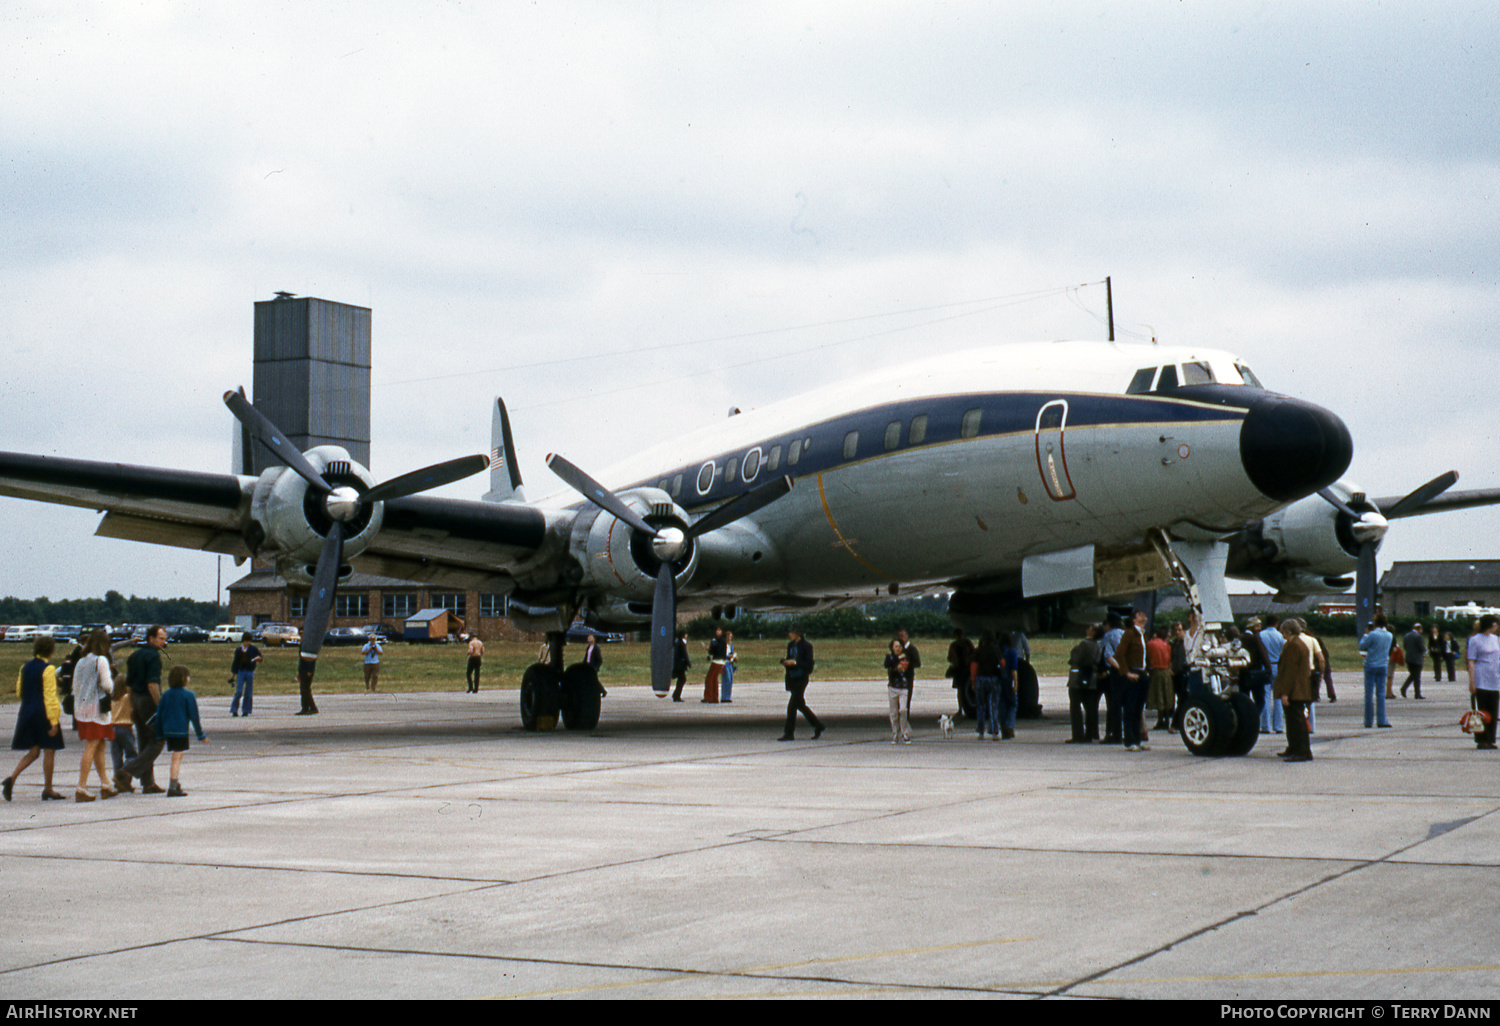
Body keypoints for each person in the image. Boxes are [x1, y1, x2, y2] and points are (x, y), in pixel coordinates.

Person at [5, 636, 66, 802]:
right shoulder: (48, 669)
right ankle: (48, 788)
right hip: (43, 713)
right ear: (51, 651)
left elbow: (19, 691)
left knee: (33, 751)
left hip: (26, 711)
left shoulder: (24, 667)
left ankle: (11, 778)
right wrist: (53, 721)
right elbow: (50, 696)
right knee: (49, 750)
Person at [116, 625, 169, 794]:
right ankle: (127, 771)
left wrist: (132, 706)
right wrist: (160, 708)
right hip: (148, 701)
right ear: (151, 638)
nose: (164, 642)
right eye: (161, 638)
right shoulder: (153, 657)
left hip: (136, 700)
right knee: (158, 741)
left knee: (144, 742)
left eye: (164, 638)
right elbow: (152, 684)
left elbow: (129, 685)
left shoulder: (134, 655)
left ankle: (148, 784)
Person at [71, 629, 117, 802]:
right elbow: (106, 684)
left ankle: (105, 783)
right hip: (96, 708)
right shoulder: (101, 660)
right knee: (92, 746)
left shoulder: (81, 661)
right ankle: (81, 787)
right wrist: (113, 689)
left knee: (99, 746)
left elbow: (74, 686)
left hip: (81, 707)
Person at [155, 666, 206, 797]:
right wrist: (201, 735)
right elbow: (194, 716)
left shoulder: (166, 694)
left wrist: (159, 734)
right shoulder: (188, 695)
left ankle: (174, 783)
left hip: (167, 731)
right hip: (180, 731)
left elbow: (159, 714)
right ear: (184, 678)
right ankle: (172, 786)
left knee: (176, 757)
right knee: (177, 758)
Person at [1273, 619, 1315, 762]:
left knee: (1296, 722)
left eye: (1283, 631)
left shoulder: (1293, 646)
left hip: (1294, 690)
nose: (1282, 634)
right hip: (1299, 688)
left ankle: (1301, 751)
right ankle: (1295, 748)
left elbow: (1290, 671)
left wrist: (1285, 692)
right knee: (1294, 721)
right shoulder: (1298, 644)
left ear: (1287, 631)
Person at [1113, 610, 1150, 751]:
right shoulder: (1129, 634)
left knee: (1139, 708)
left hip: (1142, 673)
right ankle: (1130, 741)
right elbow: (1119, 654)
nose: (1143, 615)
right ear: (1134, 620)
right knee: (1130, 707)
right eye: (1140, 614)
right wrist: (1126, 672)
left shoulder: (1143, 635)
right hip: (1133, 673)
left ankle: (1137, 739)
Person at [778, 626, 822, 741]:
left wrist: (796, 663)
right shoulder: (791, 645)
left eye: (792, 633)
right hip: (792, 677)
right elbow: (789, 657)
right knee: (800, 705)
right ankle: (818, 725)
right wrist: (786, 662)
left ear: (798, 634)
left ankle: (789, 733)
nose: (790, 635)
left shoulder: (807, 646)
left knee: (792, 706)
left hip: (801, 676)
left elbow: (808, 662)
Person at [1465, 615, 1499, 750]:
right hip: (1481, 676)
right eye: (1494, 624)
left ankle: (1491, 738)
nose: (1496, 626)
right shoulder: (1475, 640)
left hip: (1494, 678)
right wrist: (1472, 681)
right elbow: (1471, 661)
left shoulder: (1496, 639)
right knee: (1482, 709)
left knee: (1493, 710)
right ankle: (1481, 739)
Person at [1358, 613, 1395, 729]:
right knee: (1381, 693)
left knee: (1369, 694)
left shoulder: (1373, 634)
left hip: (1370, 665)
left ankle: (1368, 721)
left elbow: (1362, 646)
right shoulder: (1389, 635)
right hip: (1383, 665)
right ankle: (1382, 719)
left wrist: (1365, 634)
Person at [1066, 625, 1102, 743]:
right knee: (1090, 707)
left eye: (1091, 628)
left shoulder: (1084, 644)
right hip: (1091, 678)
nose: (1088, 629)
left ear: (1093, 632)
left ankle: (1078, 734)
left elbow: (1076, 659)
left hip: (1078, 679)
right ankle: (1091, 733)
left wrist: (1074, 652)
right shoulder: (1097, 645)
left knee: (1075, 707)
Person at [971, 631, 1002, 741]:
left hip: (980, 679)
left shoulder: (977, 651)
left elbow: (974, 667)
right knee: (993, 705)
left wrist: (973, 681)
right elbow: (1002, 663)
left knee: (980, 706)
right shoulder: (996, 650)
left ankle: (981, 732)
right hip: (993, 679)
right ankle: (994, 732)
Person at [1099, 613, 1125, 744]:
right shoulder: (1126, 634)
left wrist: (1118, 668)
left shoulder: (1108, 636)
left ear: (1108, 624)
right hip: (1129, 670)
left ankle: (1114, 734)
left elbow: (1108, 656)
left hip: (1115, 673)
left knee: (1113, 705)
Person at [1258, 614, 1285, 734]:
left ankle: (1265, 726)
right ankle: (1278, 726)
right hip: (1277, 665)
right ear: (1276, 623)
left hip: (1265, 666)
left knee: (1265, 696)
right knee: (1278, 697)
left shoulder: (1261, 635)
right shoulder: (1280, 636)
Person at [884, 638, 914, 743]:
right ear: (892, 648)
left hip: (903, 688)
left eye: (900, 646)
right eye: (896, 646)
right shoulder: (889, 657)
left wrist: (898, 665)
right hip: (893, 688)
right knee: (893, 713)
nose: (898, 648)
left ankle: (905, 733)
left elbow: (904, 668)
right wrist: (897, 661)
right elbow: (888, 664)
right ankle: (895, 734)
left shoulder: (906, 657)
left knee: (903, 710)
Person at [1147, 626, 1174, 732]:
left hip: (1156, 671)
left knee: (1158, 695)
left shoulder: (1151, 644)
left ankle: (1160, 720)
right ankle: (1166, 720)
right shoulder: (1167, 645)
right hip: (1166, 671)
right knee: (1167, 694)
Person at [229, 634, 262, 715]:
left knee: (248, 692)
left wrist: (257, 659)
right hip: (241, 671)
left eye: (249, 641)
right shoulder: (238, 650)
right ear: (243, 641)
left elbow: (261, 657)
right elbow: (235, 662)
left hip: (249, 671)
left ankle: (246, 710)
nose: (248, 643)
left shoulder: (253, 649)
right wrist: (233, 674)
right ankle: (234, 710)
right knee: (239, 691)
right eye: (246, 641)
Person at [947, 628, 975, 719]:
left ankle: (963, 708)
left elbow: (973, 653)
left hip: (966, 668)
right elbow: (949, 657)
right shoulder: (954, 645)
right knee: (960, 690)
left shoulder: (966, 643)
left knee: (964, 689)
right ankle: (960, 709)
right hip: (959, 669)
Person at [1401, 623, 1426, 699]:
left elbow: (1405, 646)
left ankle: (1405, 688)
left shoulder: (1407, 636)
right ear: (1419, 629)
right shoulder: (1418, 637)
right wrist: (1424, 652)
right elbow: (1422, 648)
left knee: (1413, 675)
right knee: (1416, 676)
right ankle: (1416, 693)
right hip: (1417, 659)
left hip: (1409, 658)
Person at [703, 626, 726, 703]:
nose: (718, 632)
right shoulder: (715, 640)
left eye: (719, 630)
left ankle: (709, 697)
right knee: (714, 679)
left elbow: (718, 651)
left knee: (709, 679)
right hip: (717, 660)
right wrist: (710, 649)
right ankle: (714, 698)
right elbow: (712, 651)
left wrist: (710, 649)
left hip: (718, 661)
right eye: (717, 630)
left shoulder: (722, 640)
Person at [670, 629, 691, 701]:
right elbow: (685, 654)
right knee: (682, 679)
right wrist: (689, 663)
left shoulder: (677, 642)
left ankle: (676, 694)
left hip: (677, 664)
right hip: (680, 665)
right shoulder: (681, 644)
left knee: (681, 679)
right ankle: (676, 695)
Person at [721, 631, 737, 703]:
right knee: (726, 680)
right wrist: (728, 657)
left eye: (731, 637)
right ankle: (724, 697)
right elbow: (722, 655)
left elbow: (732, 653)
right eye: (728, 637)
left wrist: (734, 657)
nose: (730, 638)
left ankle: (728, 697)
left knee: (730, 680)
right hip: (725, 663)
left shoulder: (731, 645)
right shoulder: (723, 645)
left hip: (730, 663)